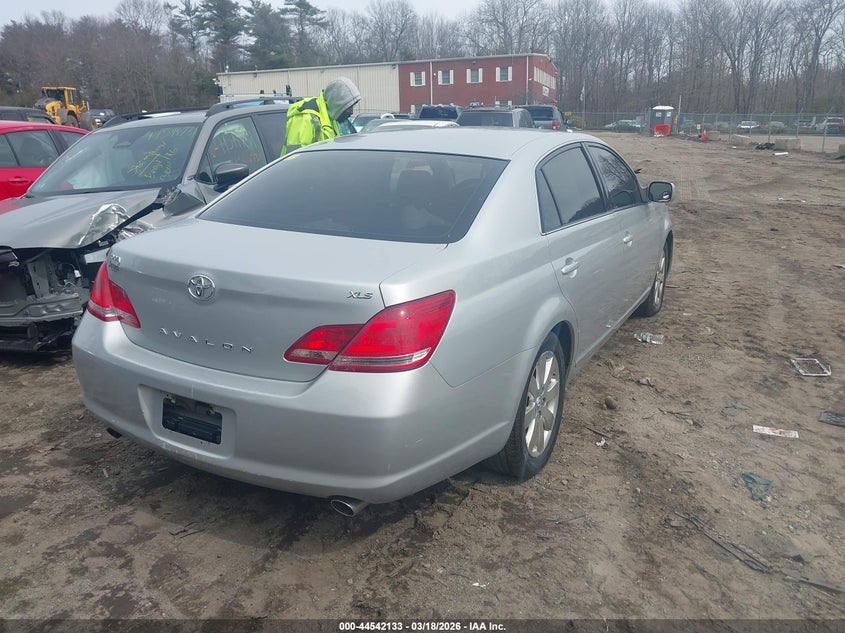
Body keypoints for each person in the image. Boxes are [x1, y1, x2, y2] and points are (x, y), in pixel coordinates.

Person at [281, 77, 361, 155]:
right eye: (348, 108)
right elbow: (296, 159)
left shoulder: (330, 117)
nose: (351, 112)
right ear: (336, 103)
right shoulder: (306, 117)